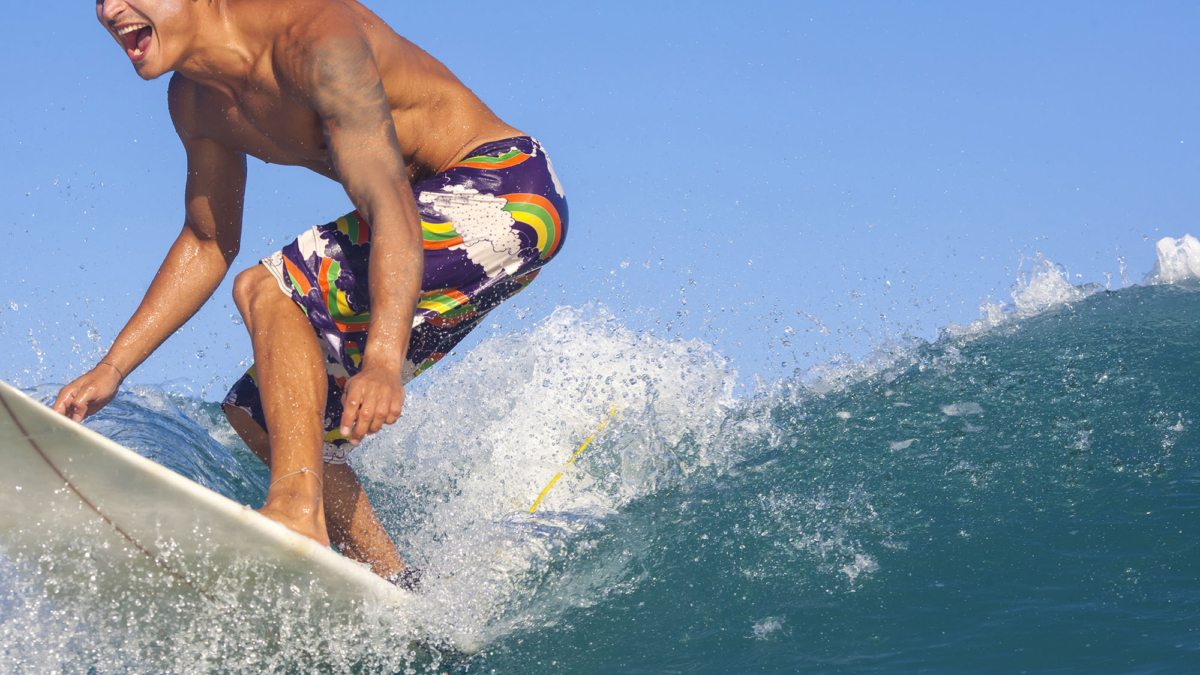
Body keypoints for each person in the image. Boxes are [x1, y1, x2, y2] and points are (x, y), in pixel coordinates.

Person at [52, 0, 567, 587]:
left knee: (270, 288)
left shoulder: (317, 41)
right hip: (424, 225)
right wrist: (112, 367)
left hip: (510, 192)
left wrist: (382, 360)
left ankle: (298, 511)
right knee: (260, 413)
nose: (109, 9)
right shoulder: (196, 101)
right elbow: (207, 240)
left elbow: (388, 200)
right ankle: (398, 585)